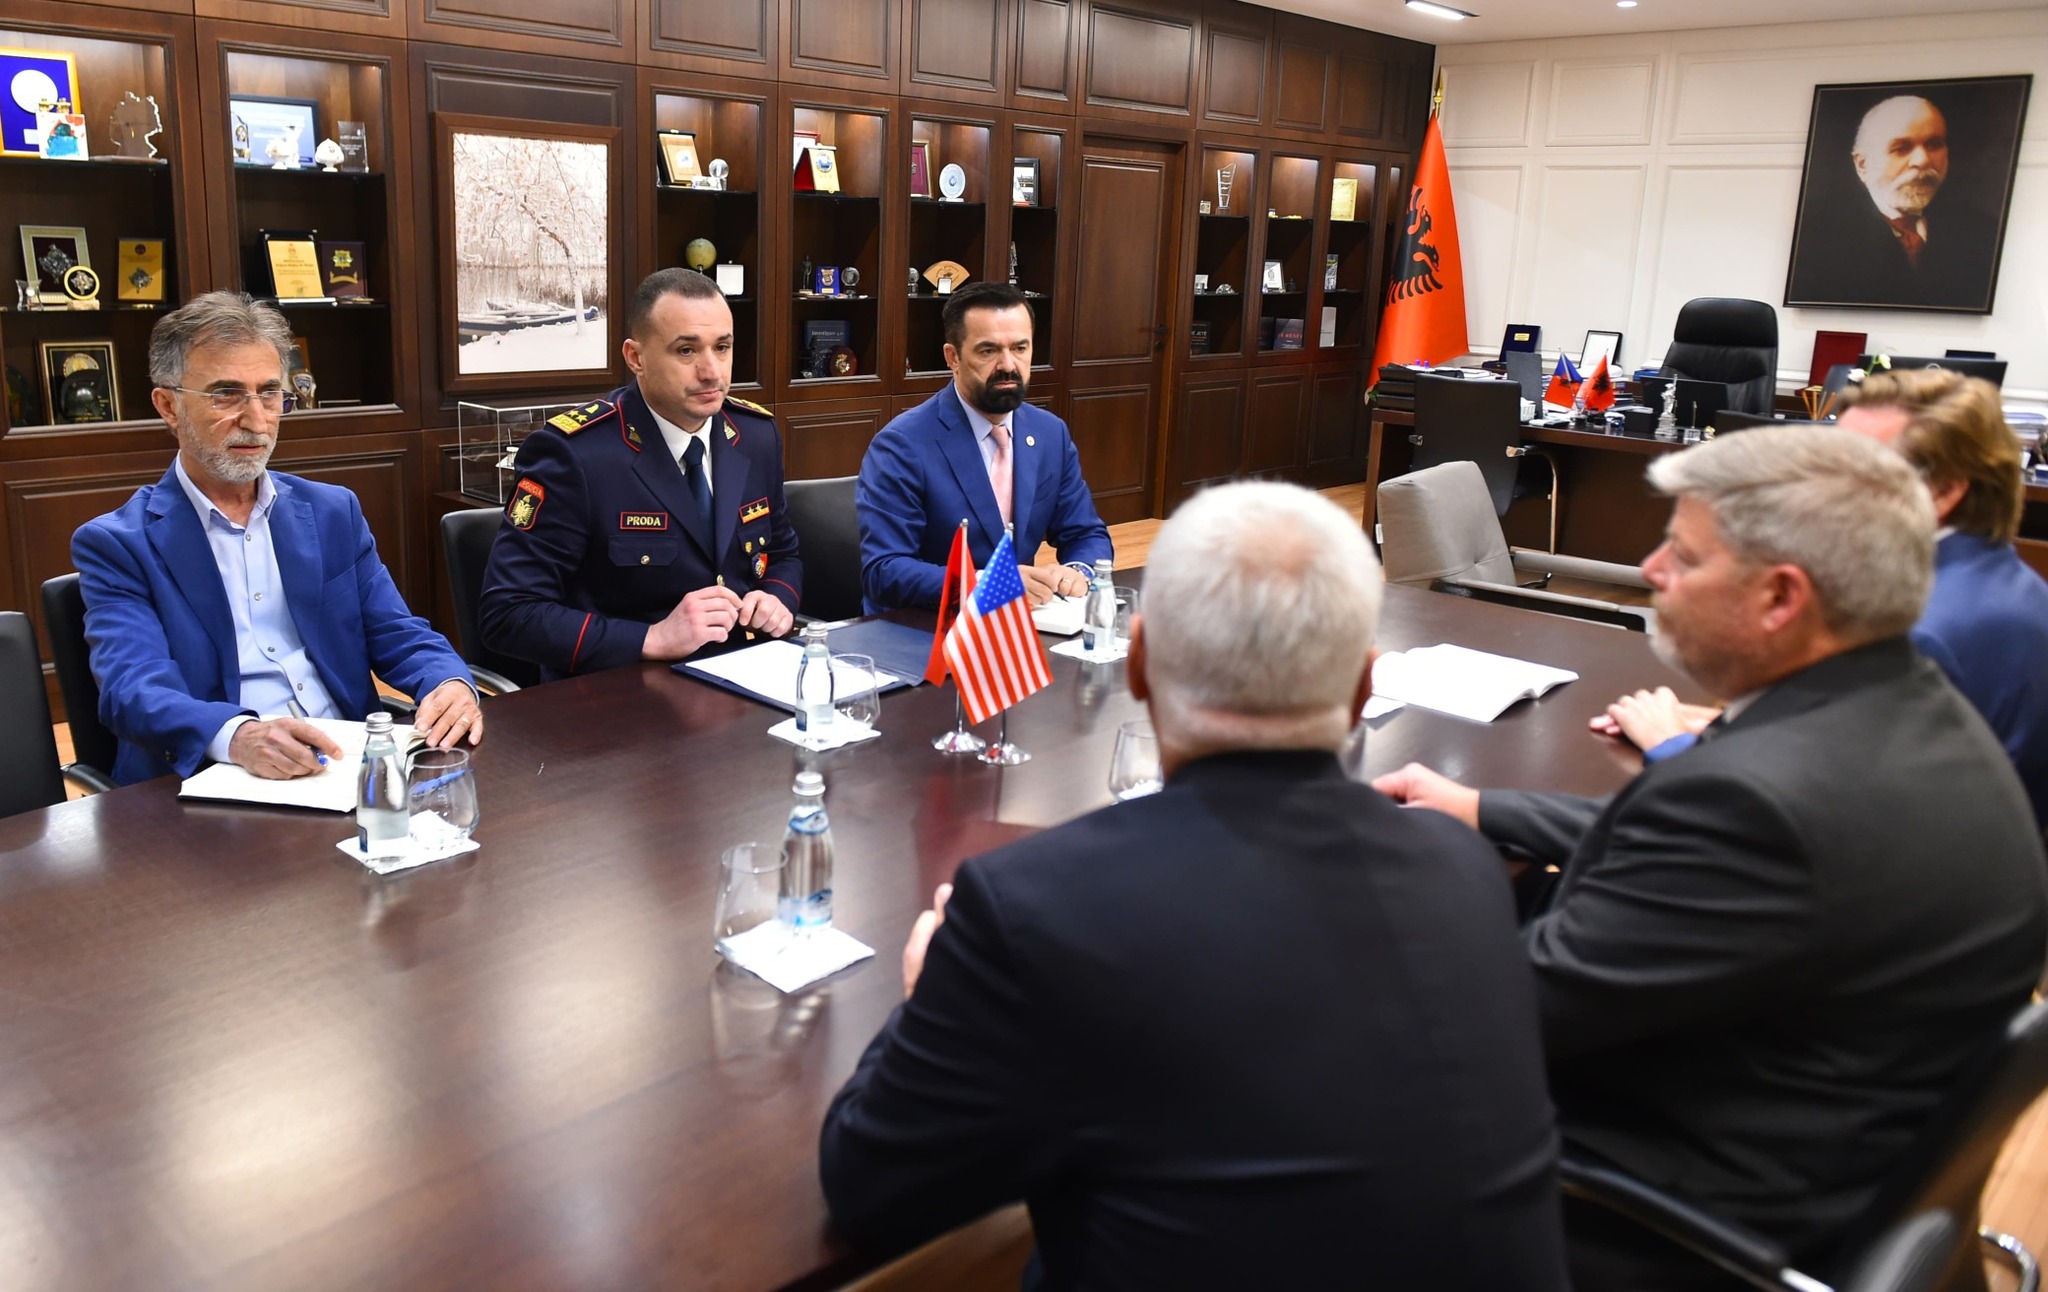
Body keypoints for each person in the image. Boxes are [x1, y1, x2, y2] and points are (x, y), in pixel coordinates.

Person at [820, 482, 1569, 1290]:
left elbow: (870, 1190)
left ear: (1139, 663)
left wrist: (924, 996)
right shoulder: (1466, 869)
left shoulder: (1038, 910)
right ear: (1364, 689)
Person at [1375, 426, 2048, 1290]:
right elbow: (1698, 855)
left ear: (1780, 597)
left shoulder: (1755, 803)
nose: (1651, 568)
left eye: (1684, 556)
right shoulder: (1906, 714)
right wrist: (1481, 808)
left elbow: (1500, 1020)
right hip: (1824, 1135)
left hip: (1656, 1216)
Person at [1597, 368, 2048, 826]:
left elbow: (1820, 815)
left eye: (1849, 469)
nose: (1811, 488)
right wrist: (1735, 725)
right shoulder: (2008, 583)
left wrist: (1670, 743)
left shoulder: (1914, 630)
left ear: (1944, 492)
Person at [73, 292, 481, 786]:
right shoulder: (118, 544)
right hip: (213, 777)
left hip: (349, 763)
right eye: (226, 394)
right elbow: (133, 690)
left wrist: (448, 680)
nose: (257, 420)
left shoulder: (332, 512)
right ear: (168, 406)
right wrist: (238, 735)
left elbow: (398, 632)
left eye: (270, 393)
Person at [479, 268, 799, 678]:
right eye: (686, 351)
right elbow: (507, 613)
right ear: (636, 358)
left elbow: (783, 553)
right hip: (621, 691)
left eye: (722, 347)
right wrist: (651, 639)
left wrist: (777, 599)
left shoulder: (755, 435)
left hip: (744, 676)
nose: (712, 371)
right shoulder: (576, 455)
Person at [855, 281, 1110, 612]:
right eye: (988, 351)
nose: (1008, 365)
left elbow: (1087, 534)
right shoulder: (902, 445)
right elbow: (884, 571)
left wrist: (1077, 572)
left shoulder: (1049, 433)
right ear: (953, 357)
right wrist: (989, 585)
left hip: (1019, 623)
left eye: (1020, 348)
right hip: (926, 626)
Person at [1789, 94, 2002, 309]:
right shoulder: (1815, 233)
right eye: (1901, 148)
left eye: (1934, 144)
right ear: (1862, 165)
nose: (1922, 161)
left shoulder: (1982, 231)